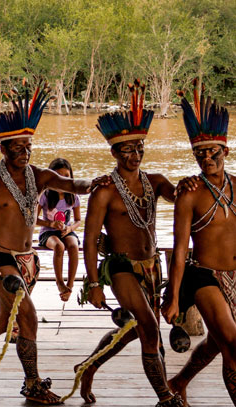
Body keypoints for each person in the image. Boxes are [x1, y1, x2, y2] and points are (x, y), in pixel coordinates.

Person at [0, 80, 98, 405]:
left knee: (4, 322)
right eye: (18, 149)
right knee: (28, 317)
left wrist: (100, 182)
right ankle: (33, 385)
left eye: (29, 148)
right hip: (0, 261)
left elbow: (73, 184)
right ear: (3, 149)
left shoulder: (40, 175)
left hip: (28, 261)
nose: (25, 154)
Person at [77, 80, 183, 406]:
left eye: (139, 149)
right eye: (127, 150)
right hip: (120, 266)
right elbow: (90, 240)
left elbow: (182, 198)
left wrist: (195, 183)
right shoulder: (104, 190)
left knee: (137, 330)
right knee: (150, 328)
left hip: (151, 265)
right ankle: (166, 397)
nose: (135, 156)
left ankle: (88, 366)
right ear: (114, 152)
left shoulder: (156, 181)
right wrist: (93, 282)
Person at [162, 80, 235, 405]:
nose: (207, 158)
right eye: (200, 154)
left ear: (226, 151)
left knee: (218, 343)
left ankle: (179, 381)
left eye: (213, 152)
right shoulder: (189, 194)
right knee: (233, 345)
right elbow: (179, 251)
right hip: (204, 276)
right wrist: (174, 298)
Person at [36, 158, 81, 302]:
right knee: (59, 246)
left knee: (74, 245)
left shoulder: (73, 196)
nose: (62, 179)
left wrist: (70, 228)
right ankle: (59, 282)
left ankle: (70, 284)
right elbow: (33, 220)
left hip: (66, 230)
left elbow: (78, 220)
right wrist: (51, 224)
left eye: (66, 176)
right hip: (48, 232)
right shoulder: (45, 195)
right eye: (57, 176)